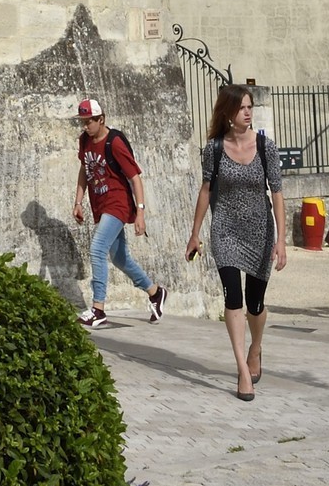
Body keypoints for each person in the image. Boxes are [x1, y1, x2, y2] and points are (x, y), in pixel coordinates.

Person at [185, 84, 286, 401]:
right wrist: (195, 233)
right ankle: (243, 369)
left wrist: (282, 240)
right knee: (233, 297)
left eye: (250, 107)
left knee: (255, 303)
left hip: (259, 230)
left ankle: (256, 348)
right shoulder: (213, 149)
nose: (248, 112)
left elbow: (278, 193)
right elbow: (205, 191)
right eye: (242, 107)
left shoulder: (265, 146)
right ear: (228, 113)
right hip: (225, 230)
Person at [72, 98, 169, 329]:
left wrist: (141, 213)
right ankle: (155, 292)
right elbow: (84, 170)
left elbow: (135, 177)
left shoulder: (114, 142)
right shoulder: (85, 140)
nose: (86, 126)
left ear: (101, 119)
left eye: (89, 121)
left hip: (118, 204)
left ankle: (98, 309)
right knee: (119, 258)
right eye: (83, 122)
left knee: (97, 249)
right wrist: (78, 201)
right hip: (100, 204)